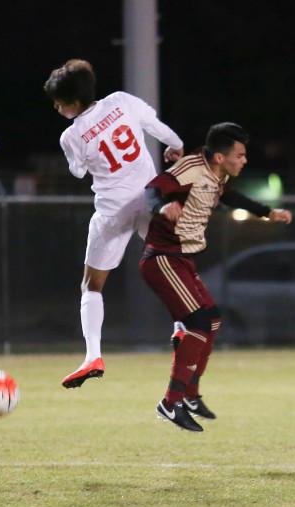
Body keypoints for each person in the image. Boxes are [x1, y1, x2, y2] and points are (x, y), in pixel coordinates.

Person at [140, 122, 292, 432]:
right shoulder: (192, 167)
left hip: (182, 260)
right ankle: (171, 403)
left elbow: (230, 197)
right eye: (240, 154)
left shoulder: (217, 174)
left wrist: (267, 212)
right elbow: (153, 189)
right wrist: (163, 205)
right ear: (220, 157)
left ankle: (190, 394)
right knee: (198, 324)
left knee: (211, 322)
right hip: (163, 258)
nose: (244, 160)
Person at [44, 59, 185, 389]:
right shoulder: (121, 101)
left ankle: (93, 354)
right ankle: (180, 325)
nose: (56, 107)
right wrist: (176, 145)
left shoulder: (71, 135)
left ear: (71, 103)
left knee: (91, 285)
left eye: (58, 102)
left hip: (112, 212)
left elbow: (78, 171)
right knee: (168, 265)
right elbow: (156, 127)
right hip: (150, 199)